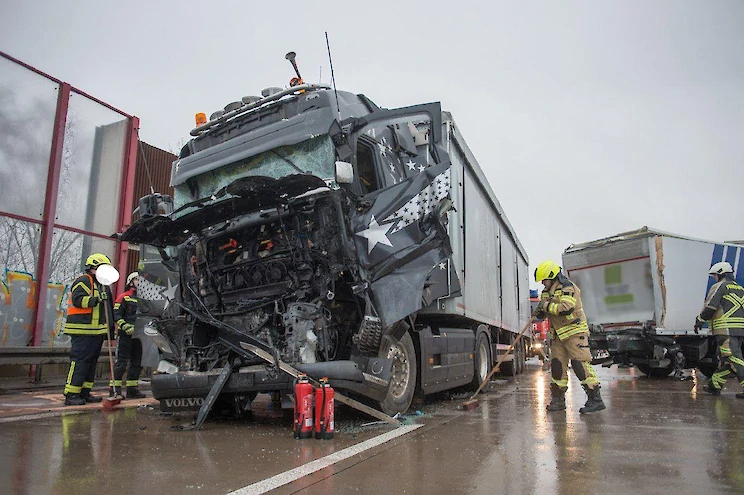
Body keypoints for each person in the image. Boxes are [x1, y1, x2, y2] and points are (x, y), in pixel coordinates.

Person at [533, 260, 606, 413]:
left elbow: (566, 308)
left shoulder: (568, 287)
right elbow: (545, 310)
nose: (543, 283)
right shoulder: (546, 292)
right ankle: (558, 400)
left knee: (580, 365)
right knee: (557, 367)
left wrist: (545, 306)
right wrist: (540, 312)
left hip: (574, 333)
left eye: (544, 280)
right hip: (558, 336)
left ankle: (595, 399)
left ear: (552, 276)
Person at [62, 253, 112, 406]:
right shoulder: (84, 280)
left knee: (91, 363)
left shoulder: (103, 285)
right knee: (80, 362)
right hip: (82, 330)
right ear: (93, 267)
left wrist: (110, 331)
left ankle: (84, 392)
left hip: (96, 332)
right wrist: (96, 299)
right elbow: (78, 300)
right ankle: (71, 394)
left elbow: (108, 310)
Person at [695, 261, 744, 397]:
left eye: (715, 275)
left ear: (721, 274)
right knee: (726, 360)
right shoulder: (740, 288)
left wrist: (699, 320)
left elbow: (710, 307)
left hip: (725, 329)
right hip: (740, 329)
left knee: (733, 357)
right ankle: (714, 385)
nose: (714, 278)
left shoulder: (719, 286)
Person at [111, 272, 145, 399]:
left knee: (137, 362)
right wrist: (125, 326)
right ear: (131, 282)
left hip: (139, 336)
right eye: (137, 279)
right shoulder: (124, 297)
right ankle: (115, 390)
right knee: (121, 362)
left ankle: (132, 389)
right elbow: (116, 314)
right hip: (125, 335)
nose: (139, 282)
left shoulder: (144, 300)